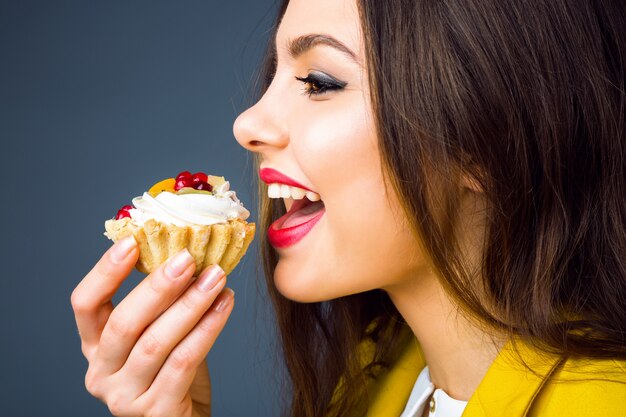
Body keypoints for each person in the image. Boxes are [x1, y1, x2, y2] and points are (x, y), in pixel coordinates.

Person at [71, 0, 626, 416]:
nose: (247, 124)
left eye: (319, 81)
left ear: (488, 141)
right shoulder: (367, 380)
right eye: (274, 79)